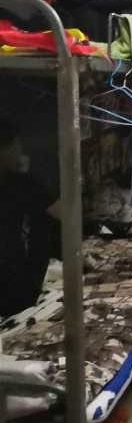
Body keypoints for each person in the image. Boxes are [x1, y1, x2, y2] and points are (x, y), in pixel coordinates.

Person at [0, 118, 61, 317]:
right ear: (5, 149)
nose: (20, 150)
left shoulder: (20, 183)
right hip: (15, 282)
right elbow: (64, 213)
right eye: (16, 145)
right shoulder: (23, 184)